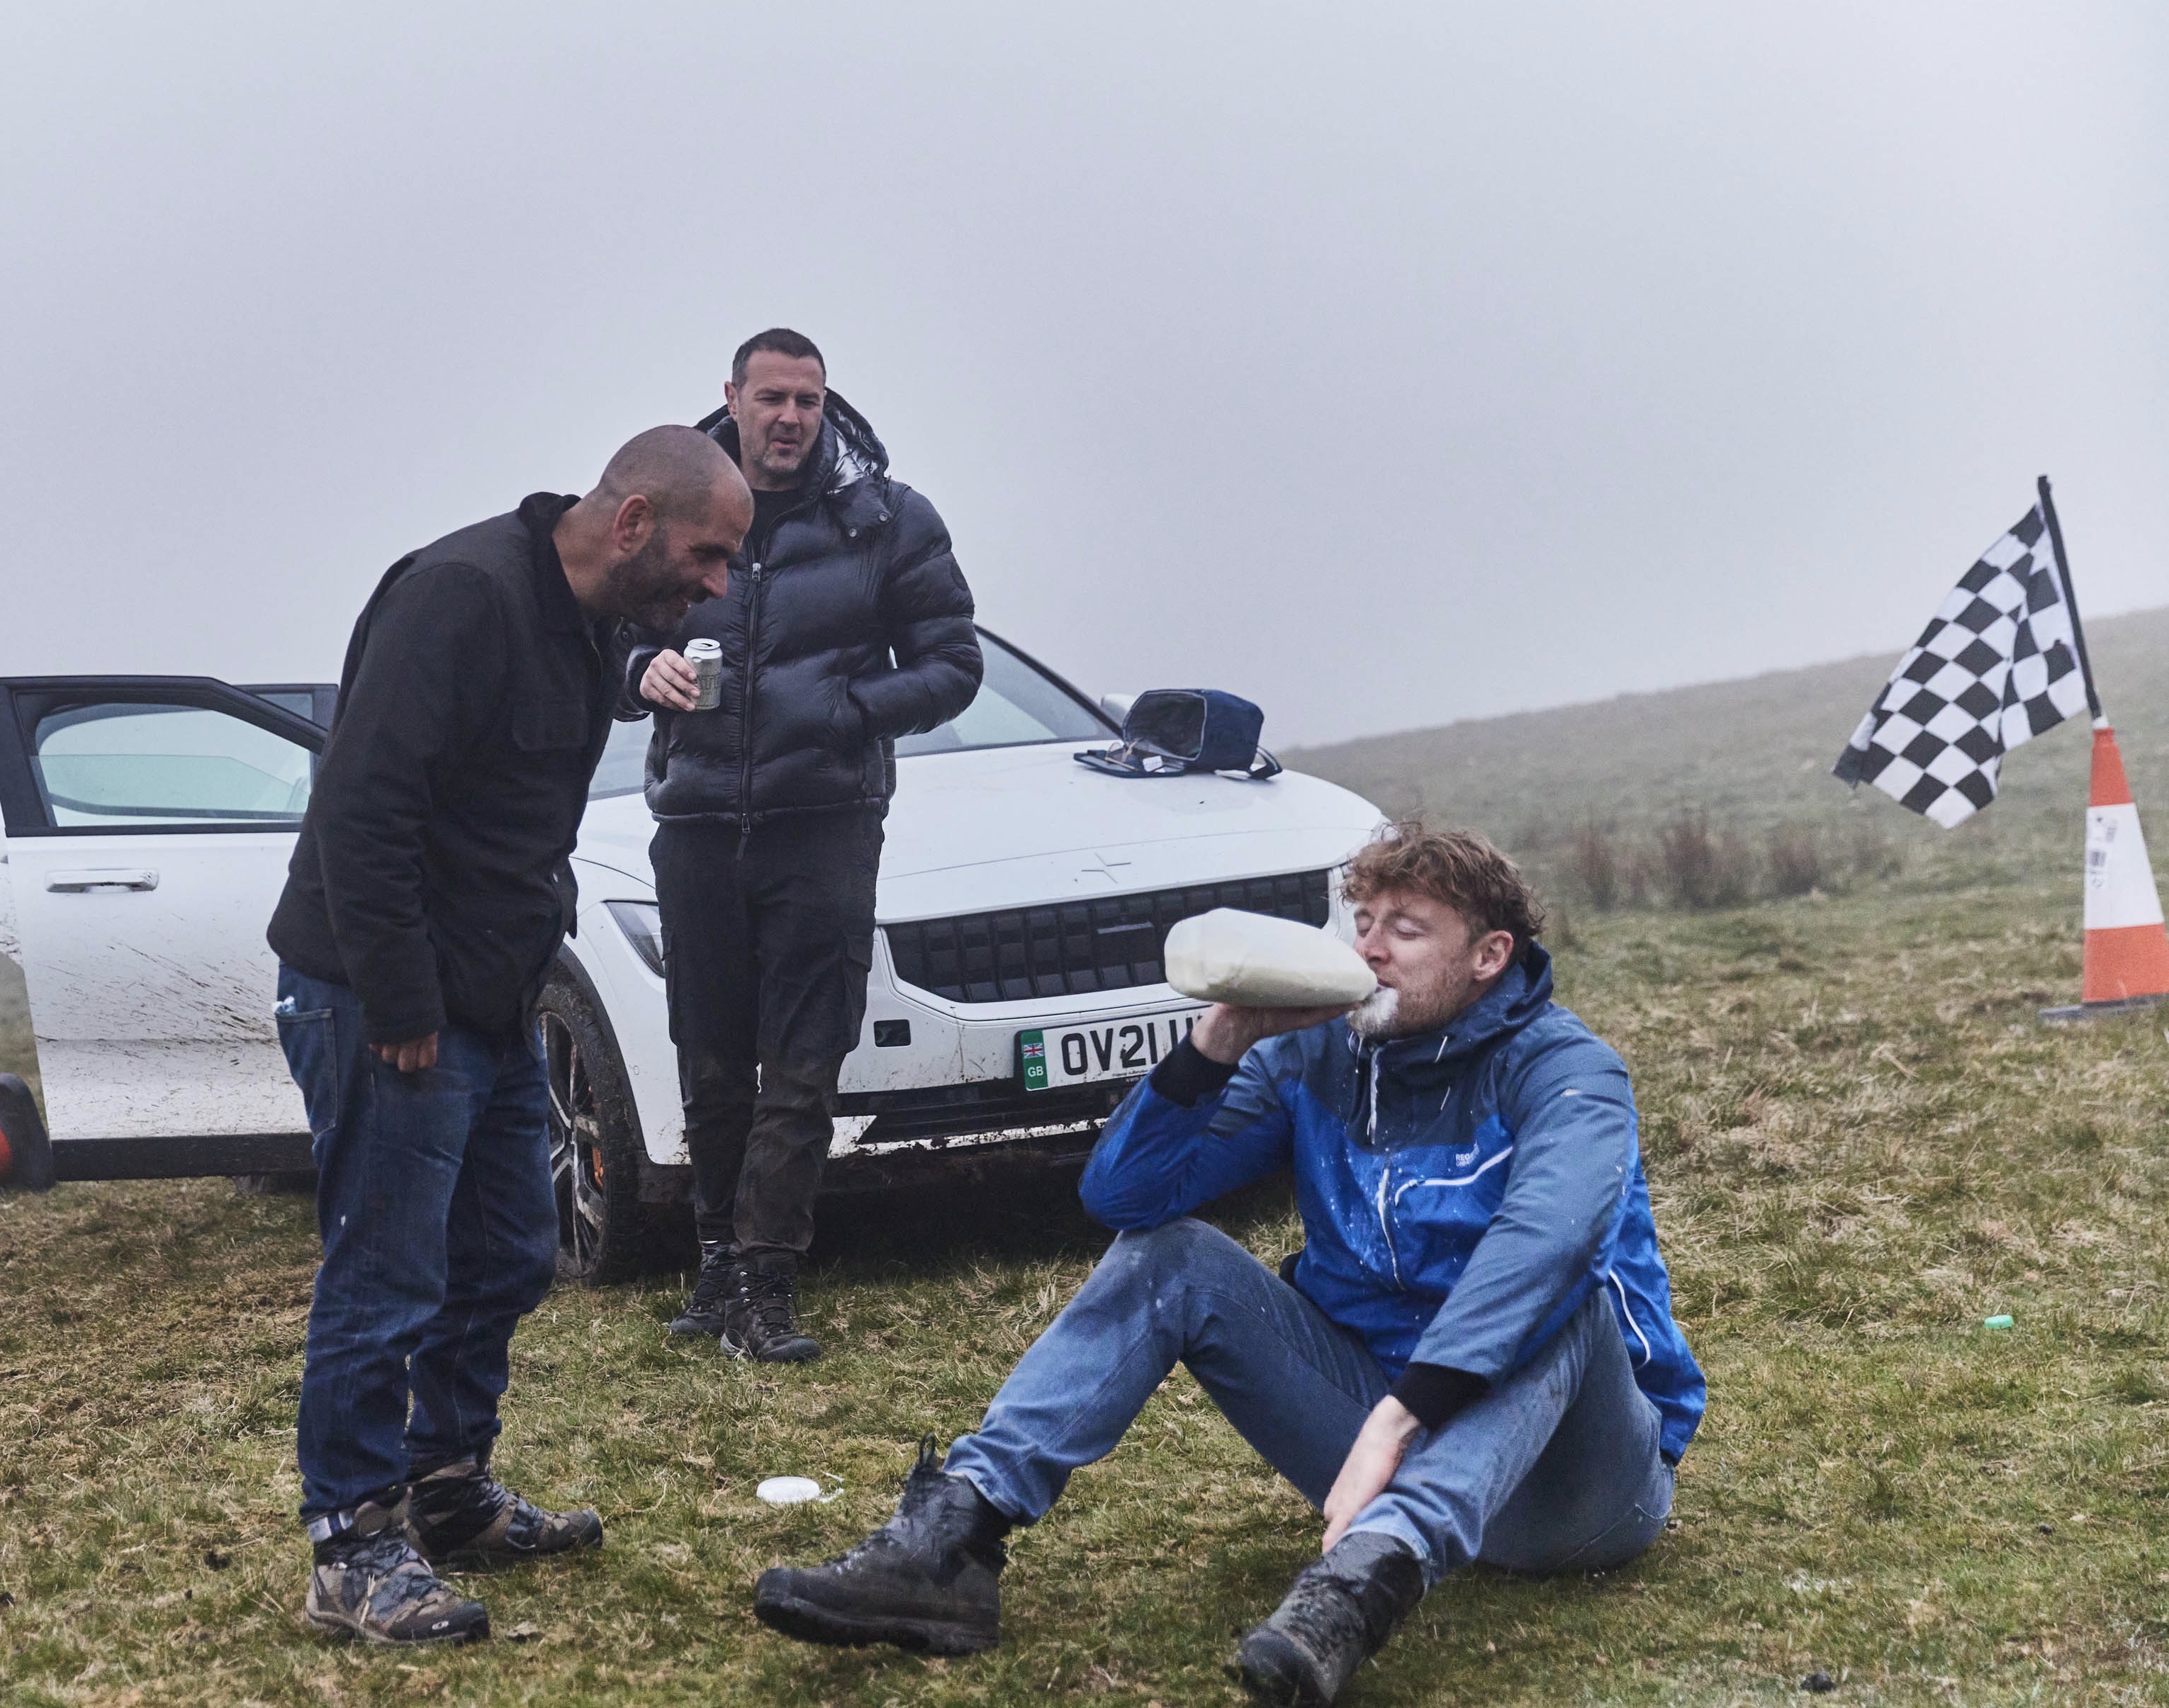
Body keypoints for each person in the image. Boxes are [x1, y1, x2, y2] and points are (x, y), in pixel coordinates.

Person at [750, 826, 1708, 1705]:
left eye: (1407, 931)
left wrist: (1401, 1414)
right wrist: (1221, 1038)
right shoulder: (1319, 1055)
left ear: (1487, 956)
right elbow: (1125, 1197)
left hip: (1575, 1487)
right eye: (1363, 923)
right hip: (1373, 1451)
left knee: (1560, 1299)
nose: (1369, 949)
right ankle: (951, 1540)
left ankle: (1357, 1588)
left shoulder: (1567, 1071)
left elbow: (1545, 1242)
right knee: (1174, 1256)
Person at [264, 426, 751, 1646]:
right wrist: (401, 1002)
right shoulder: (458, 596)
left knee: (508, 1252)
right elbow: (362, 809)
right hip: (388, 1002)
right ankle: (350, 1548)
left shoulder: (589, 620)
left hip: (491, 995)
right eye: (706, 554)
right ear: (632, 522)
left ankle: (444, 1486)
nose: (716, 584)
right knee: (386, 1273)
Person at [626, 328, 982, 1362]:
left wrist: (845, 710)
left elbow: (952, 663)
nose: (789, 417)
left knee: (801, 1061)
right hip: (695, 820)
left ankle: (766, 1280)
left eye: (808, 400)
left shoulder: (886, 518)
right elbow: (602, 632)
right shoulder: (671, 507)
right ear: (732, 396)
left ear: (826, 407)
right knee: (708, 1056)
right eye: (772, 397)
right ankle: (715, 1263)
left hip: (825, 822)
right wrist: (637, 671)